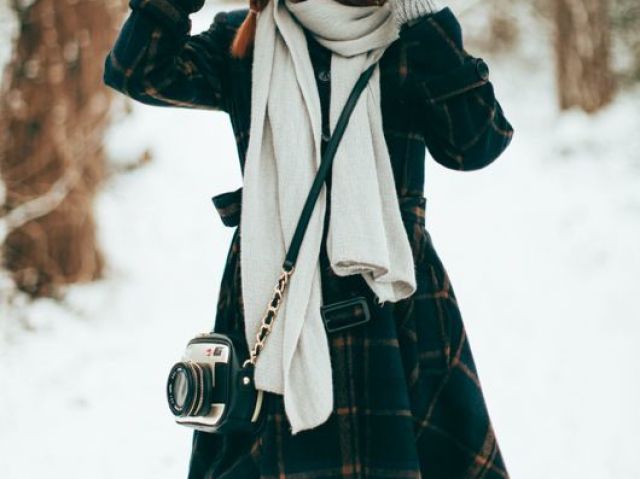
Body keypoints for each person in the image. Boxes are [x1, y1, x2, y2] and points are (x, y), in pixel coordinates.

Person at [103, 0, 514, 477]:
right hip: (273, 300)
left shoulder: (409, 40)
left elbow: (477, 142)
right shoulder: (248, 38)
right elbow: (136, 71)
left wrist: (420, 15)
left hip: (395, 309)